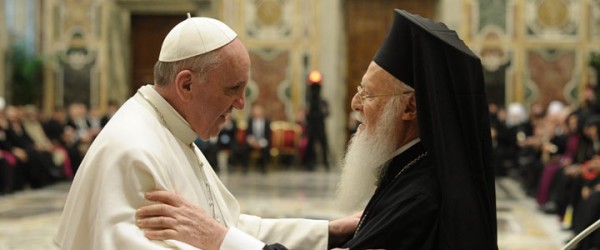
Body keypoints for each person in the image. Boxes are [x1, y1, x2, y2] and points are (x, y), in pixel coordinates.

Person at [136, 9, 498, 249]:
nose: (355, 104)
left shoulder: (422, 197)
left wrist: (221, 241)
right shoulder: (411, 171)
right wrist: (329, 230)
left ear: (411, 107)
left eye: (368, 94)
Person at [55, 15, 357, 250]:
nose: (241, 103)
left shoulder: (171, 129)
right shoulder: (135, 151)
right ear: (186, 85)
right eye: (232, 89)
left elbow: (223, 229)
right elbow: (219, 239)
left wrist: (328, 232)